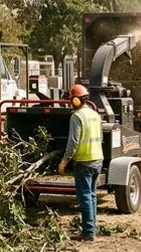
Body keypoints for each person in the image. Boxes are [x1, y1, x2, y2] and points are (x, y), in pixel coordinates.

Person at [58, 84, 104, 243]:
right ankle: (91, 228)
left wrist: (64, 162)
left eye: (71, 99)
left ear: (76, 100)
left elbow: (73, 143)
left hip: (84, 162)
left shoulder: (76, 117)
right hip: (97, 160)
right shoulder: (95, 115)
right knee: (91, 195)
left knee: (84, 196)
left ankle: (89, 233)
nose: (71, 102)